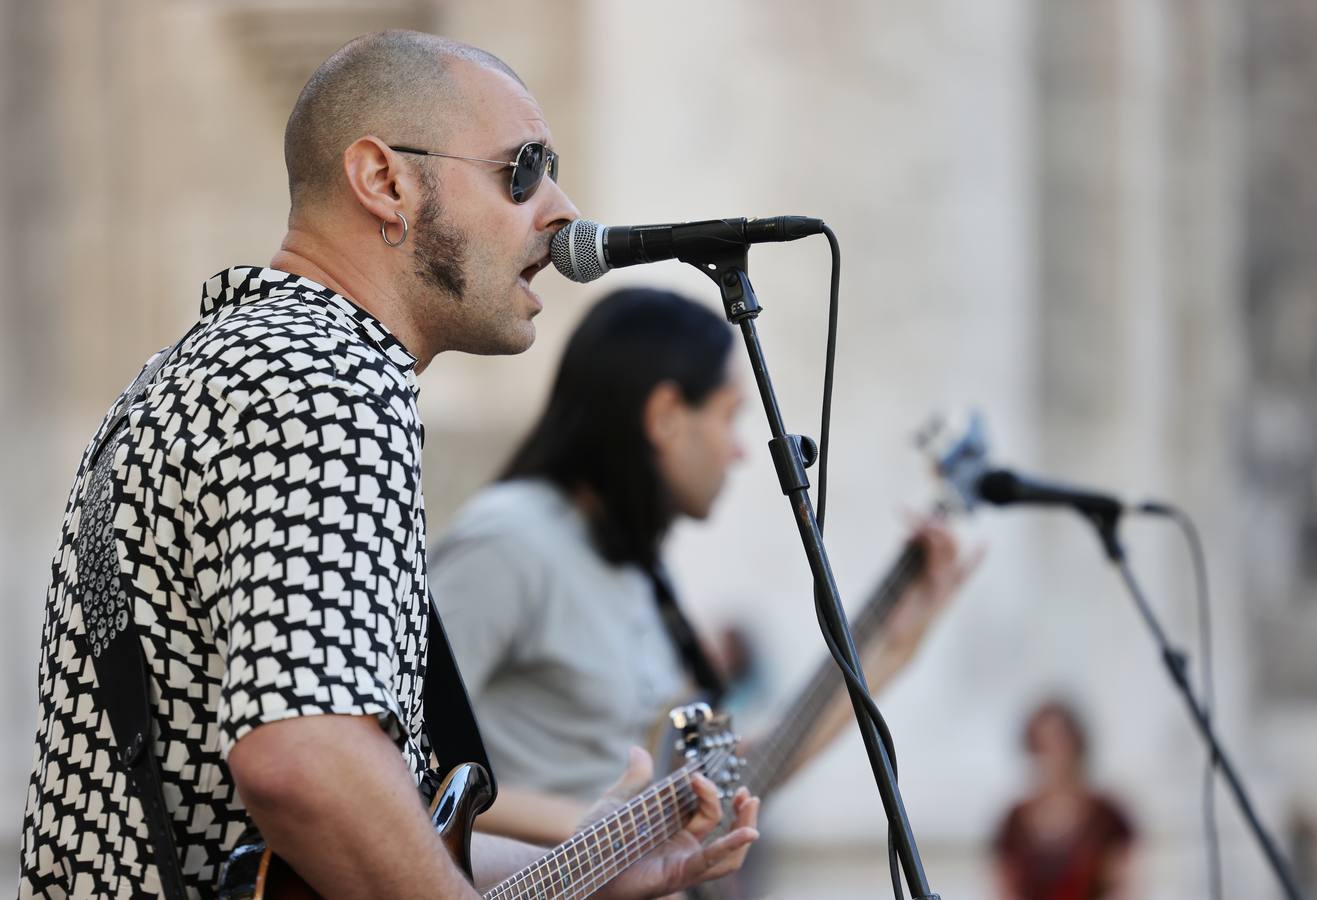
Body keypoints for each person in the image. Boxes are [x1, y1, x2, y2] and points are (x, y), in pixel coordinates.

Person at [18, 32, 758, 899]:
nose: (560, 210)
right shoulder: (326, 381)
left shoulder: (214, 366)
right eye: (521, 170)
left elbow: (337, 839)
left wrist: (597, 866)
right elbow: (306, 762)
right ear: (384, 182)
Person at [429, 286, 981, 845]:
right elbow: (405, 769)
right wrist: (608, 836)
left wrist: (900, 642)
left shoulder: (641, 567)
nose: (740, 451)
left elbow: (737, 779)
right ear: (666, 415)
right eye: (729, 416)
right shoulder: (508, 541)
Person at [992, 699, 1137, 900]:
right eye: (1041, 745)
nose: (1052, 756)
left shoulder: (1107, 815)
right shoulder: (1015, 820)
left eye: (1059, 743)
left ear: (1076, 746)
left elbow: (1123, 887)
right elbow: (1003, 888)